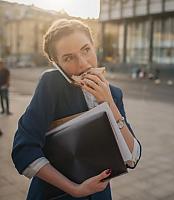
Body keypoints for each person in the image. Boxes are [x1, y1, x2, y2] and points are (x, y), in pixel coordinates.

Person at [11, 19, 141, 200]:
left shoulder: (114, 93)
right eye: (68, 58)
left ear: (94, 47)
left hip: (100, 195)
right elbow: (23, 150)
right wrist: (75, 189)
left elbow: (132, 157)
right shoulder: (52, 85)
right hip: (57, 194)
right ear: (56, 64)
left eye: (86, 50)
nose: (83, 64)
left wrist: (109, 103)